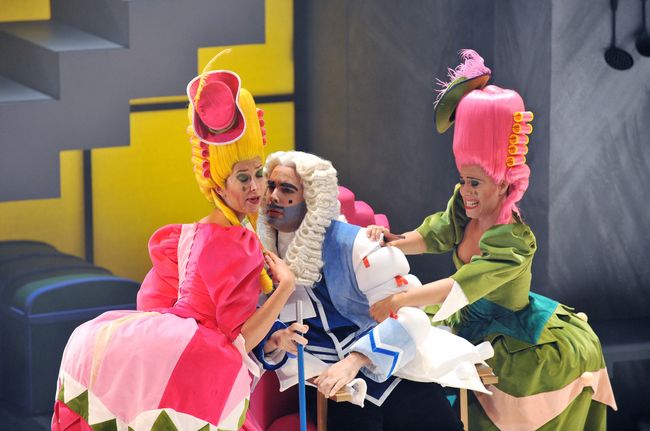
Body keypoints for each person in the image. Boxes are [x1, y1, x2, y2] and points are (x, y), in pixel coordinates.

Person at [367, 50, 617, 430]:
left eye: (476, 182)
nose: (466, 191)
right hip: (466, 320)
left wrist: (400, 300)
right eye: (463, 179)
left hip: (513, 342)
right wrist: (392, 243)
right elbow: (436, 232)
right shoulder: (465, 205)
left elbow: (462, 285)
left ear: (503, 182)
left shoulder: (514, 241)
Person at [52, 59, 297, 431]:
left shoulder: (188, 234)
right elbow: (240, 339)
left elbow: (151, 301)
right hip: (196, 370)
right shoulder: (238, 243)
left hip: (167, 356)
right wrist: (286, 287)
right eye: (242, 177)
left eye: (259, 173)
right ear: (218, 186)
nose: (255, 186)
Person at [253, 150, 491, 431]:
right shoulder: (257, 254)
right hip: (328, 386)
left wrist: (356, 360)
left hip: (395, 372)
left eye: (287, 189)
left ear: (312, 199)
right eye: (271, 186)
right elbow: (255, 322)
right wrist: (275, 339)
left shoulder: (354, 245)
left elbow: (411, 316)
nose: (273, 196)